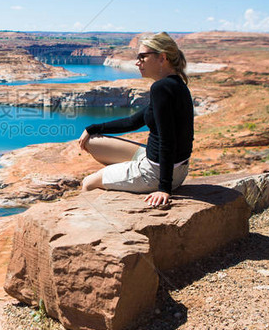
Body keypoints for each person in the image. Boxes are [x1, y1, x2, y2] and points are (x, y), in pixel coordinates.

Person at [78, 32, 193, 207]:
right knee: (91, 142)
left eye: (142, 57)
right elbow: (133, 122)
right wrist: (92, 128)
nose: (137, 62)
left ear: (162, 58)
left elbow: (167, 139)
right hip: (172, 167)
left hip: (155, 172)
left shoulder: (161, 88)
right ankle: (119, 176)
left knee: (88, 183)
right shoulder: (176, 84)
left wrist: (164, 188)